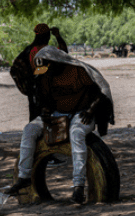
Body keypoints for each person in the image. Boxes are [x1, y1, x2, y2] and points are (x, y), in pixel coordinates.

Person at [9, 41, 115, 205]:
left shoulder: (78, 71)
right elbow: (44, 98)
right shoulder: (44, 76)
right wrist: (45, 110)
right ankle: (24, 177)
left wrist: (91, 110)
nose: (44, 73)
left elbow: (100, 92)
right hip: (57, 114)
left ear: (55, 62)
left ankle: (78, 186)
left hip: (82, 113)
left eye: (46, 69)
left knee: (77, 133)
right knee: (29, 129)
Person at [10, 23, 68, 121]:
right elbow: (64, 53)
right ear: (47, 36)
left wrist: (26, 87)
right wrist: (58, 36)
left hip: (34, 92)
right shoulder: (49, 50)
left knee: (35, 120)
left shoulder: (28, 50)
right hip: (50, 92)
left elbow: (14, 69)